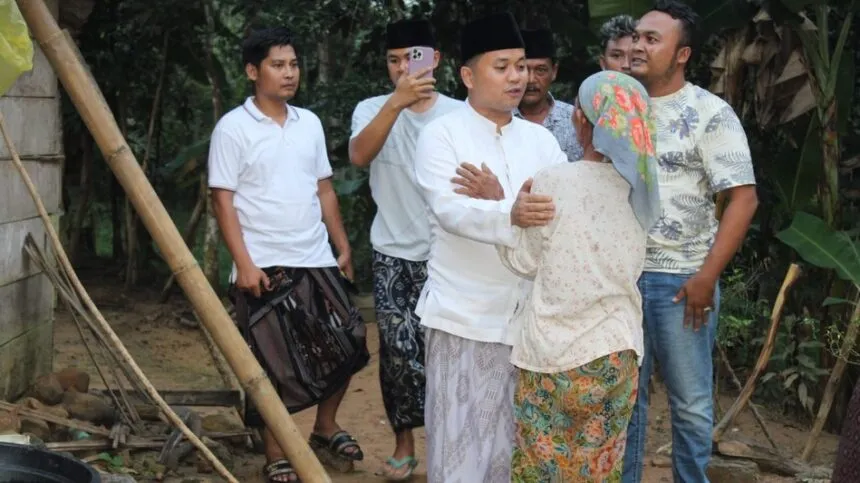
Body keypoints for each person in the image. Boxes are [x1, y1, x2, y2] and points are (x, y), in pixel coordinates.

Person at [208, 27, 369, 483]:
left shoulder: (310, 123)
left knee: (350, 340)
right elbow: (223, 199)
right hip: (264, 260)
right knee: (271, 363)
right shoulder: (233, 128)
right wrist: (243, 263)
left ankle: (324, 425)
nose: (289, 73)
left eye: (294, 64)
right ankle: (276, 452)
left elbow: (324, 189)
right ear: (252, 71)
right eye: (278, 65)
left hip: (316, 255)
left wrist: (341, 245)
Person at [413, 12, 567, 483]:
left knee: (516, 452)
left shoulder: (541, 142)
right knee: (459, 454)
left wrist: (501, 201)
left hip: (529, 323)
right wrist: (512, 212)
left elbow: (561, 216)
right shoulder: (441, 135)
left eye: (521, 66)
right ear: (467, 74)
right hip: (464, 316)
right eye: (502, 66)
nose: (517, 77)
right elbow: (450, 211)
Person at [499, 70, 660, 483]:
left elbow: (523, 261)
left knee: (541, 469)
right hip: (616, 354)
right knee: (598, 471)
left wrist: (509, 215)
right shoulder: (640, 193)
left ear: (583, 122)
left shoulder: (555, 181)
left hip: (552, 356)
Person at [621, 2, 759, 482]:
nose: (638, 45)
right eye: (636, 36)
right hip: (619, 278)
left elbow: (743, 199)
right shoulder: (617, 106)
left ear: (682, 54)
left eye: (652, 39)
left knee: (693, 406)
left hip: (682, 281)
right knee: (624, 402)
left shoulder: (709, 112)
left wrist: (706, 277)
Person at [348, 17, 462, 481]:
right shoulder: (371, 109)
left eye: (411, 58)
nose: (402, 68)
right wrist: (396, 104)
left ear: (435, 60)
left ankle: (449, 447)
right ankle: (404, 443)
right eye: (394, 60)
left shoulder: (460, 113)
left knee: (446, 353)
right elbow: (358, 156)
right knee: (397, 354)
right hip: (392, 249)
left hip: (449, 253)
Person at [514, 27, 583, 162]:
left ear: (554, 71)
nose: (531, 79)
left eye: (540, 70)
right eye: (523, 69)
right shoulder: (501, 119)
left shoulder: (574, 119)